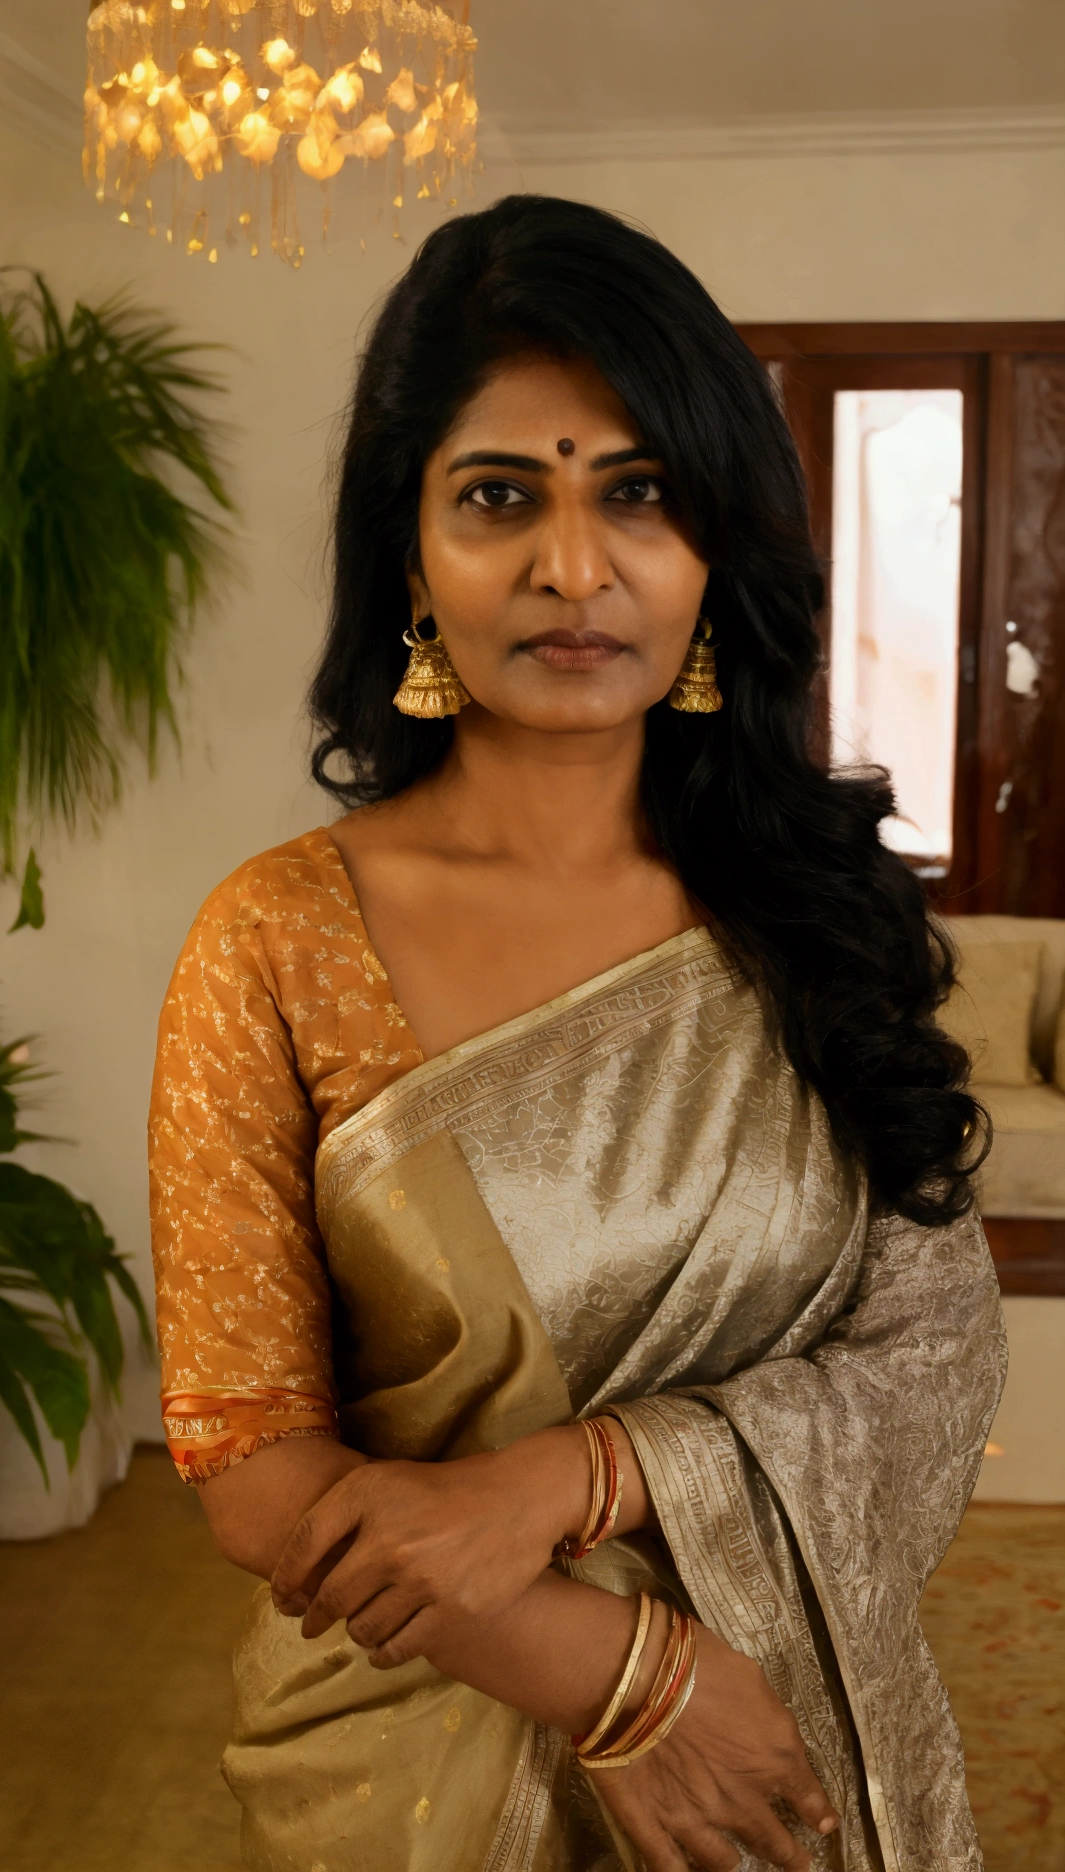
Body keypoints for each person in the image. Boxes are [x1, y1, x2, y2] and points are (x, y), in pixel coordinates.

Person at [149, 195, 1004, 1872]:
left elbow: (933, 1357)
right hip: (416, 1775)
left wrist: (572, 1481)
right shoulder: (273, 940)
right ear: (409, 552)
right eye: (497, 498)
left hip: (790, 1722)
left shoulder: (811, 913)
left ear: (712, 548)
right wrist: (624, 1674)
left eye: (638, 494)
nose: (573, 568)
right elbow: (249, 1457)